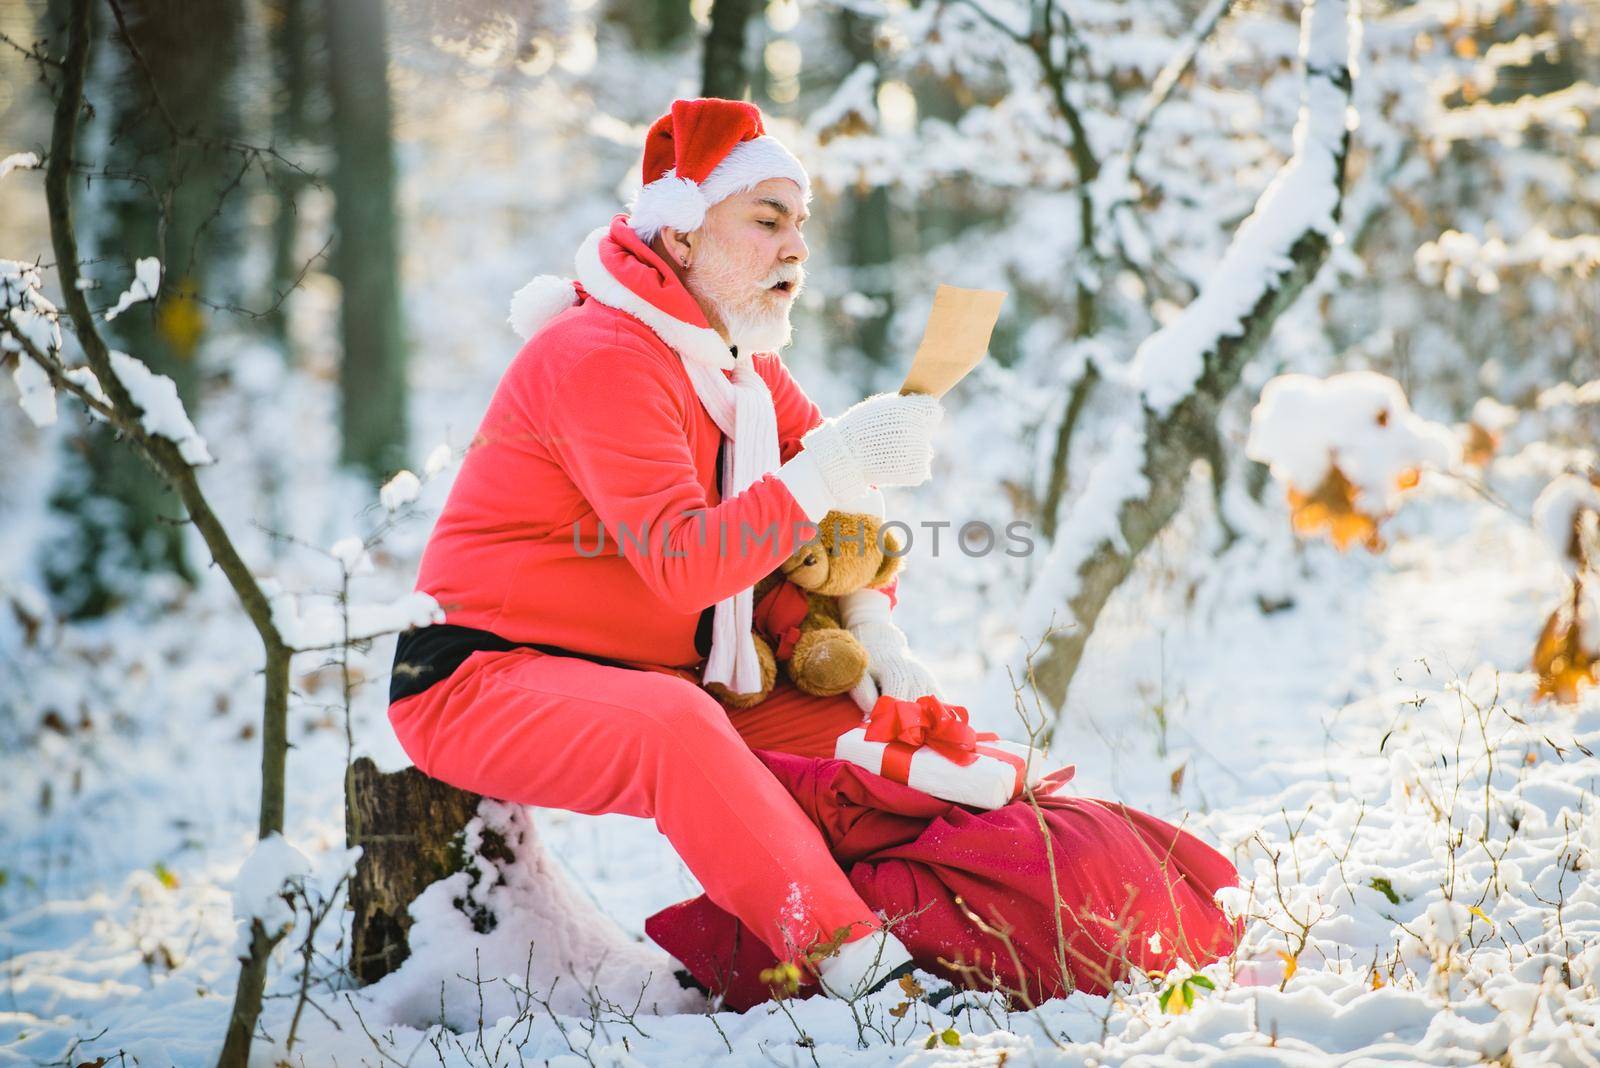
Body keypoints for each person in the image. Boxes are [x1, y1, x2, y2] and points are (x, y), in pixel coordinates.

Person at [386, 97, 948, 1000]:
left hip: (662, 667)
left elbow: (842, 498)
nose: (795, 248)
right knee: (675, 729)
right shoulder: (601, 353)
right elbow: (689, 561)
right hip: (482, 677)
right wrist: (835, 463)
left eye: (799, 224)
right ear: (680, 237)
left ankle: (964, 923)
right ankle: (864, 972)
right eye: (766, 221)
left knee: (864, 736)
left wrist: (874, 626)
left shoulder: (740, 363)